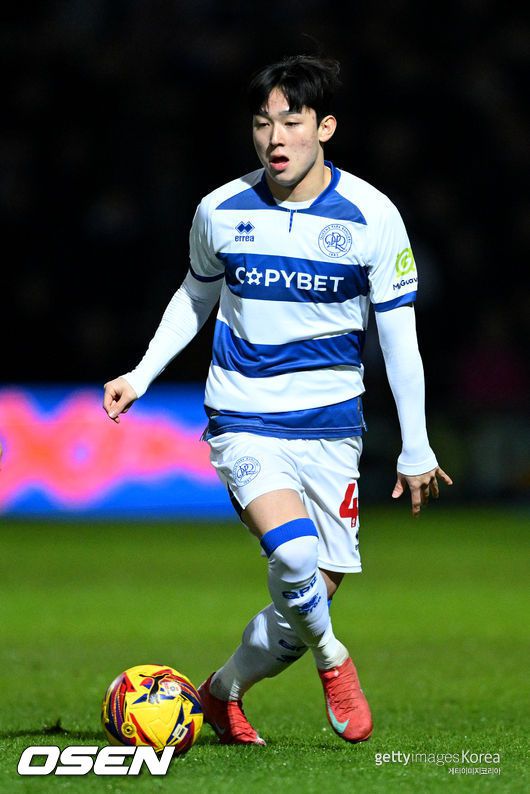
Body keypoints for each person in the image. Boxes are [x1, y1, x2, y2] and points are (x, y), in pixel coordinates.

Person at [103, 55, 452, 746]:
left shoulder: (373, 217)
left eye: (292, 121)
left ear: (325, 127)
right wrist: (141, 375)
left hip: (332, 430)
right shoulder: (219, 210)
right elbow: (196, 294)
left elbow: (399, 337)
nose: (275, 138)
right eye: (263, 123)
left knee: (305, 600)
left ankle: (219, 694)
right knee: (293, 558)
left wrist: (415, 445)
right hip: (245, 418)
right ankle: (335, 661)